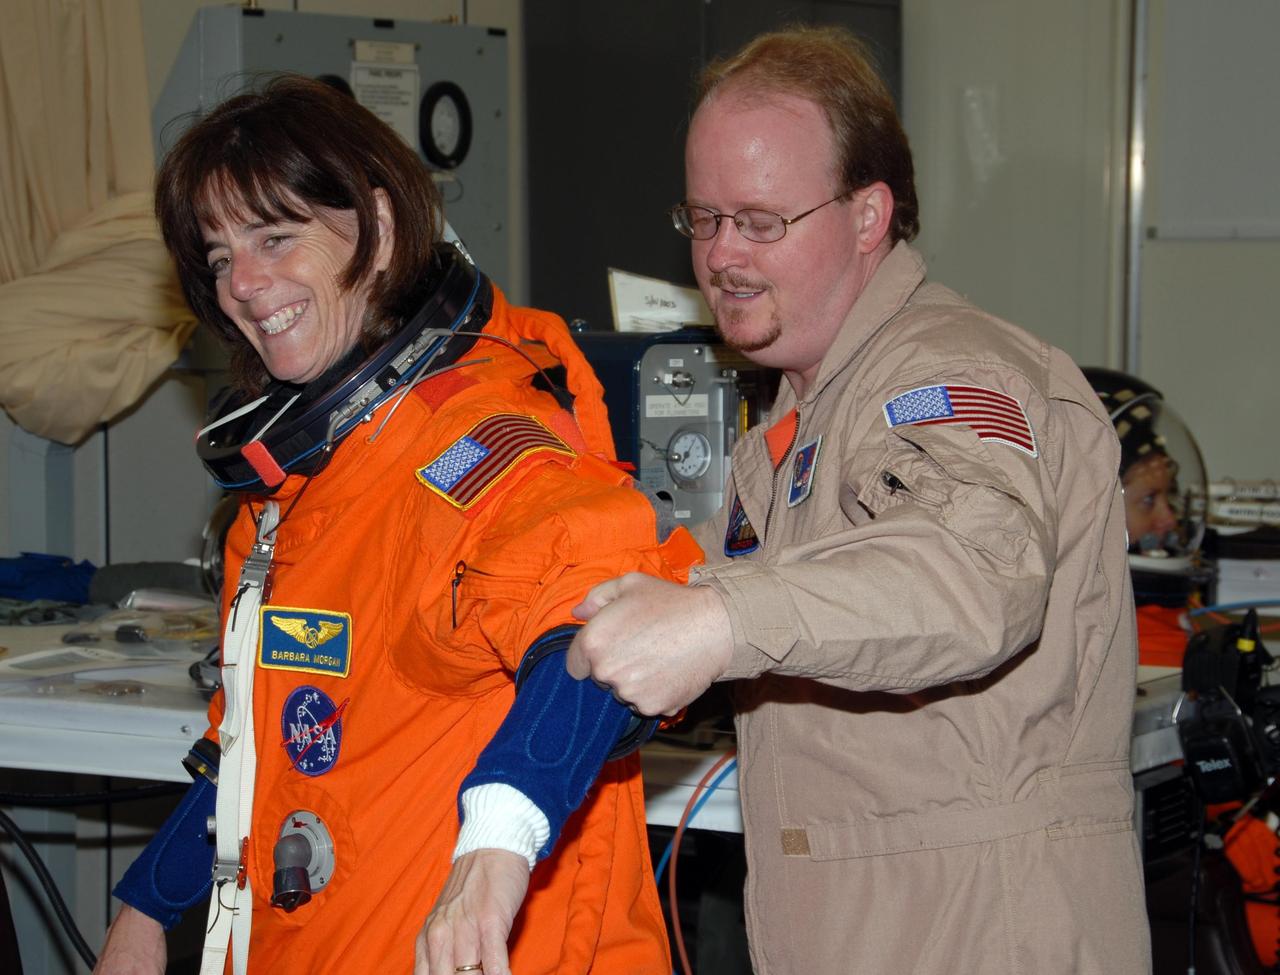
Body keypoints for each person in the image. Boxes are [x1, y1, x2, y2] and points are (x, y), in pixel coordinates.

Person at [567, 26, 1152, 974]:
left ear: (870, 215)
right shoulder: (797, 415)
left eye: (760, 222)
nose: (721, 256)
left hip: (982, 934)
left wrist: (719, 621)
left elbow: (974, 572)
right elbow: (680, 583)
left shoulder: (944, 370)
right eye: (703, 219)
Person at [93, 75, 697, 975]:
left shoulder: (477, 445)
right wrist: (145, 911)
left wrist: (492, 853)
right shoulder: (293, 490)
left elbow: (598, 631)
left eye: (275, 236)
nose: (244, 286)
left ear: (374, 233)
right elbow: (258, 758)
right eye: (219, 257)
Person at [1084, 366, 1211, 667]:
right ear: (1090, 509)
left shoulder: (1174, 627)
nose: (1168, 520)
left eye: (1170, 496)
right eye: (1149, 500)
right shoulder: (1106, 647)